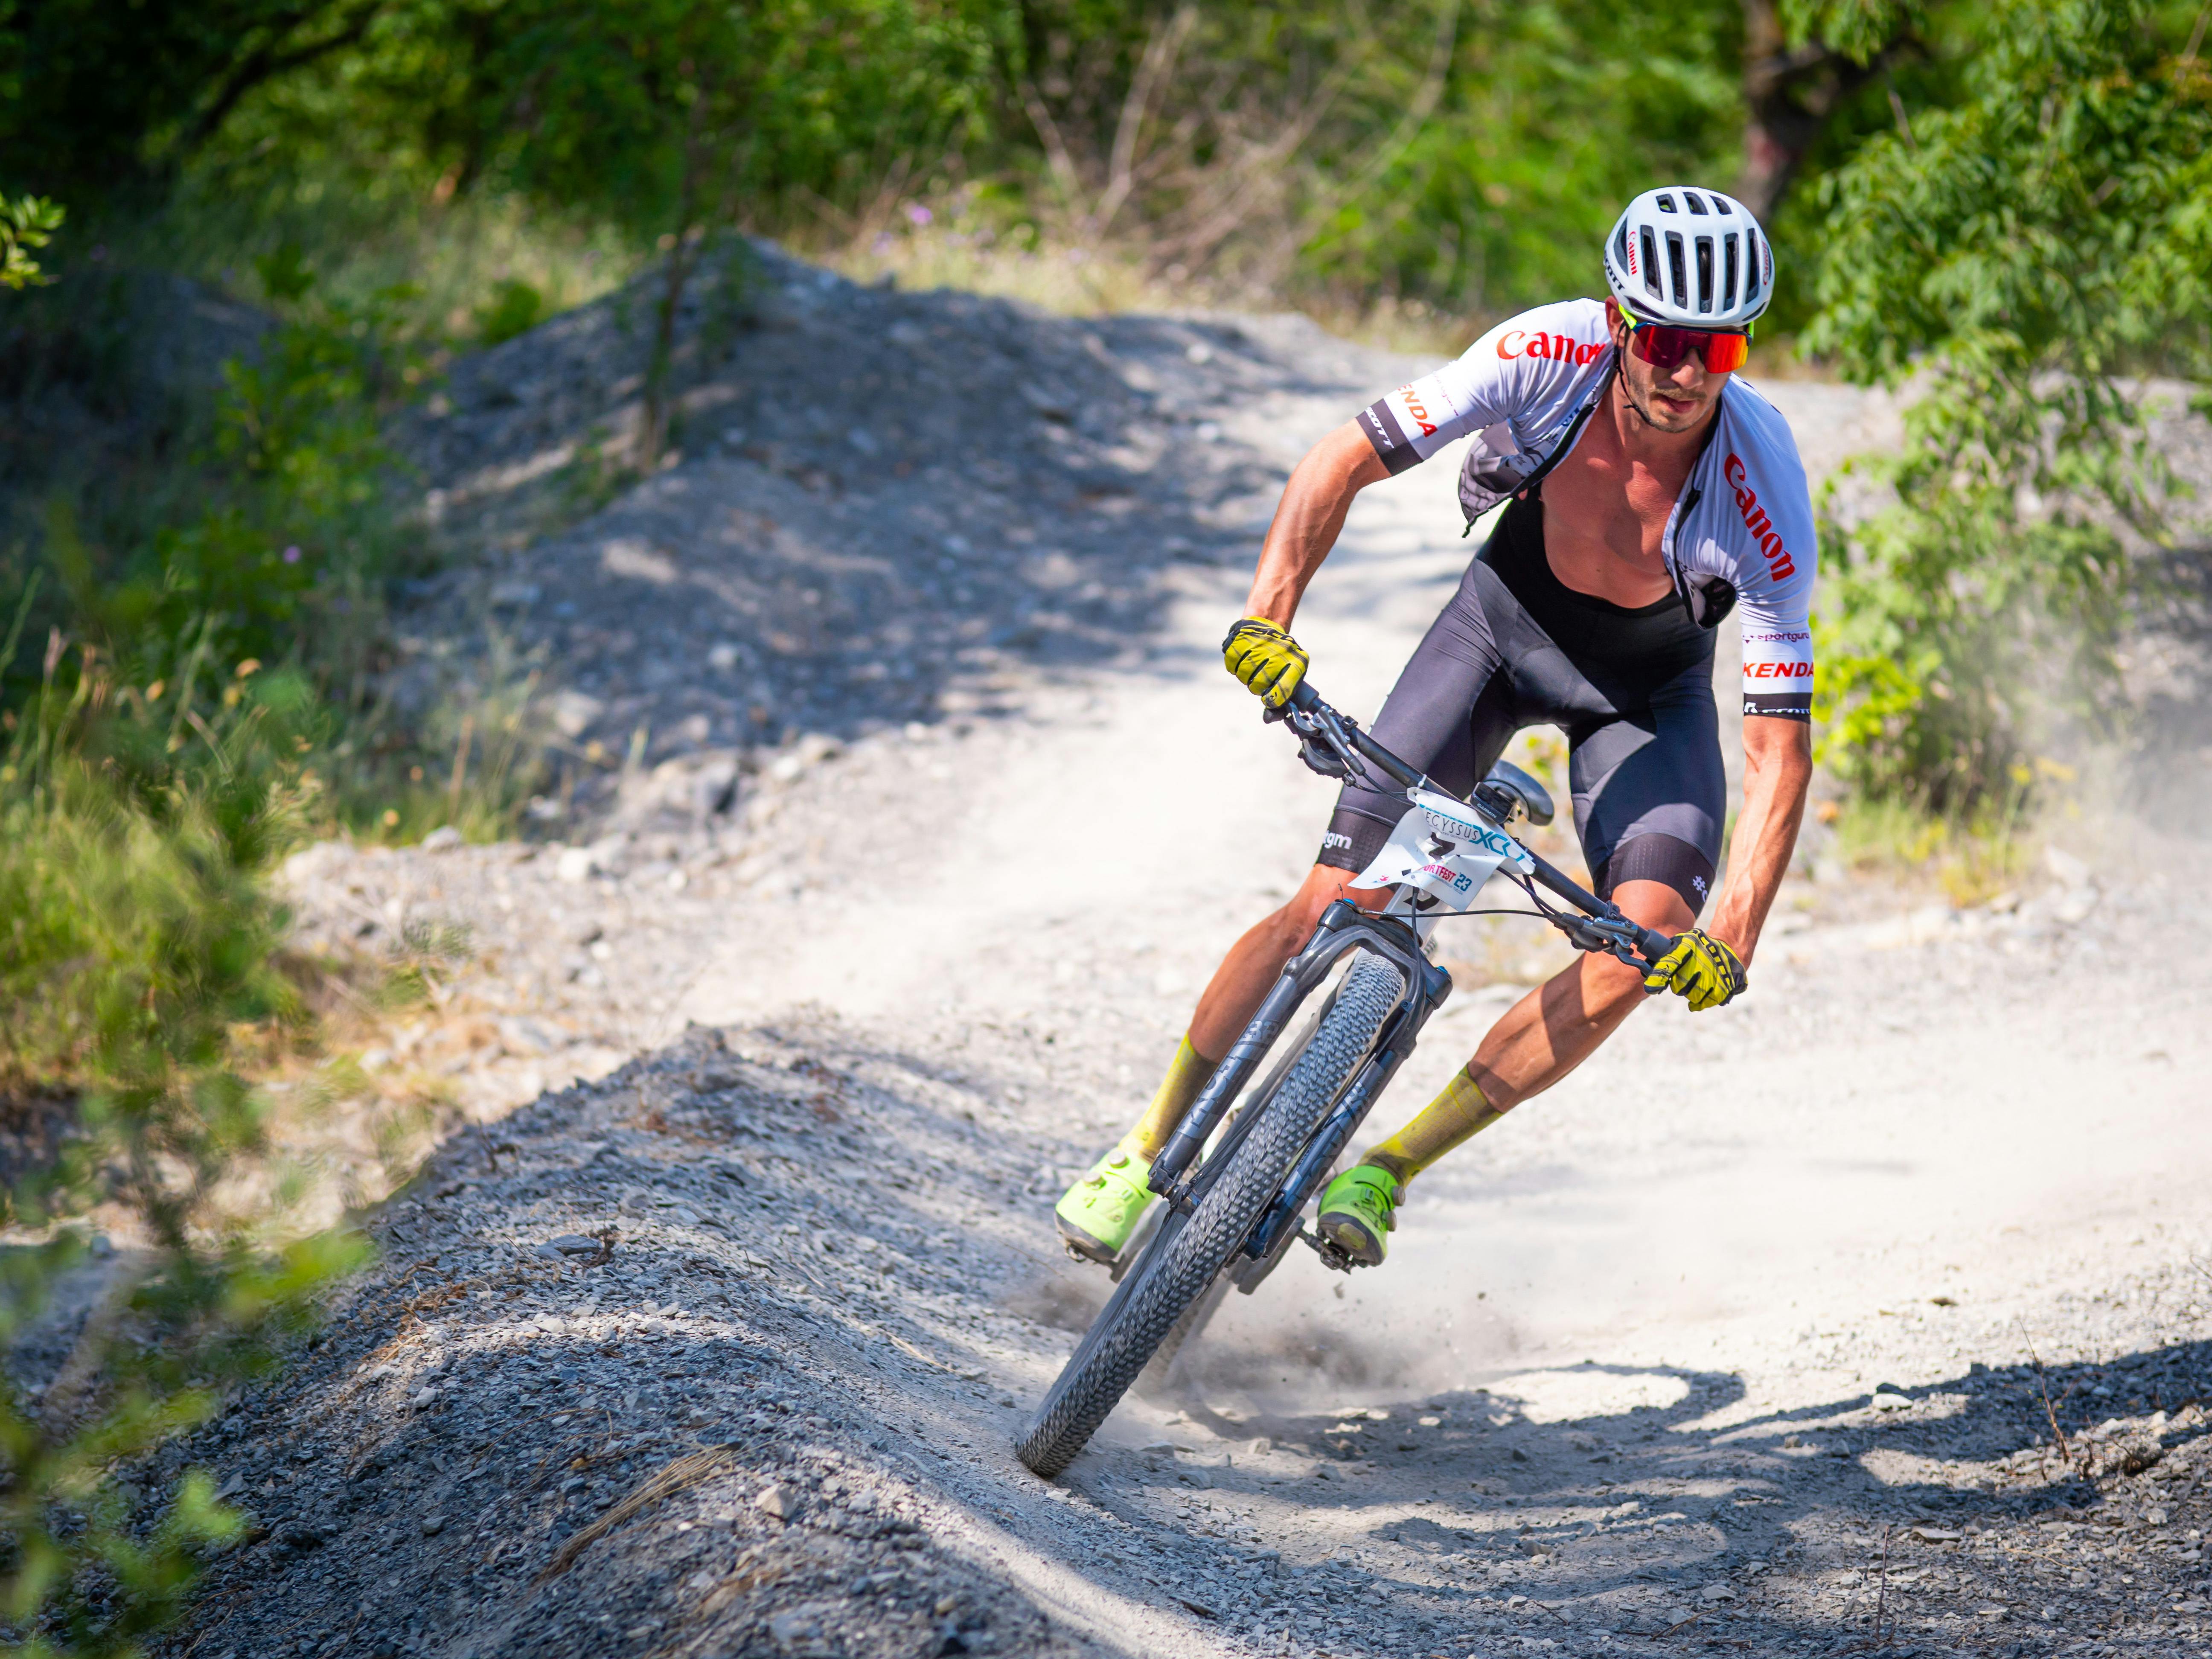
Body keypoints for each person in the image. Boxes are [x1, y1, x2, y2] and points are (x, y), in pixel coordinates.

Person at [1055, 185, 1816, 1268]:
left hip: (1645, 700)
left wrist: (1731, 928)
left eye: (1717, 351)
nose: (1683, 372)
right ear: (1617, 318)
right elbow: (1344, 458)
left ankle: (1389, 1167)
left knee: (1639, 945)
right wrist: (1269, 617)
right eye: (1661, 339)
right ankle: (1145, 1147)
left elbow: (1779, 744)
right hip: (1499, 634)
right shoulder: (1544, 352)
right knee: (1329, 898)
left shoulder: (1763, 482)